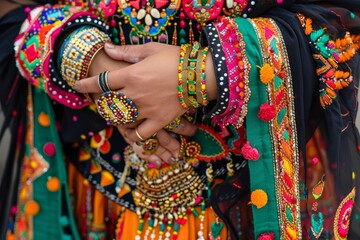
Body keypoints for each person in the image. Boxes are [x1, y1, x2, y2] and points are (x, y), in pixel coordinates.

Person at [1, 0, 360, 239]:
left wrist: (204, 73)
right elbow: (12, 11)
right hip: (93, 188)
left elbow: (343, 21)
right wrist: (86, 58)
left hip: (257, 186)